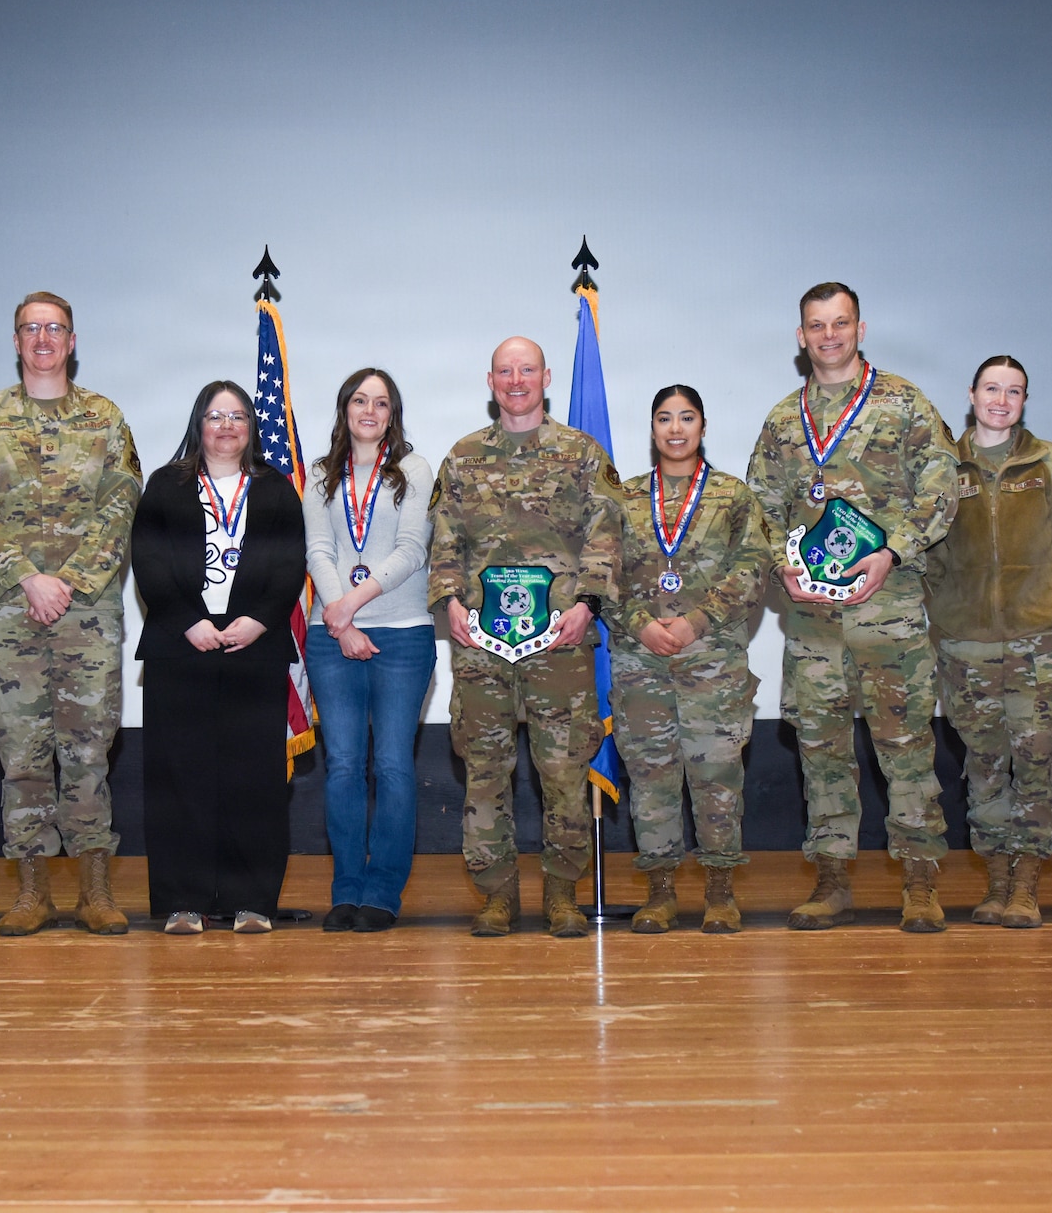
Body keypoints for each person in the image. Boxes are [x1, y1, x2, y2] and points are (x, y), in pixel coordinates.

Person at [747, 282, 961, 933]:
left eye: (840, 323)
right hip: (813, 625)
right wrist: (783, 571)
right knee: (822, 753)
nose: (829, 335)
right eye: (817, 325)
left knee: (905, 750)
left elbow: (944, 481)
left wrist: (893, 549)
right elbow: (757, 511)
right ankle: (833, 880)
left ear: (860, 328)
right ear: (801, 336)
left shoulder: (902, 403)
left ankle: (921, 882)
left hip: (888, 614)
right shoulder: (786, 419)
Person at [0, 291, 142, 936]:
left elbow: (122, 507)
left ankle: (94, 889)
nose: (42, 339)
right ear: (15, 340)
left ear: (71, 339)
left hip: (86, 615)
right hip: (8, 614)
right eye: (30, 328)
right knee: (22, 753)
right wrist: (29, 580)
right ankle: (33, 892)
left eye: (53, 328)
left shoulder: (105, 417)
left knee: (89, 750)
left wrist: (69, 582)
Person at [427, 336, 622, 938]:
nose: (517, 380)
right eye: (506, 371)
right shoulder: (462, 457)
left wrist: (588, 605)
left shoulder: (581, 453)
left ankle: (562, 895)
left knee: (563, 774)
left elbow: (607, 534)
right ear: (491, 380)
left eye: (527, 370)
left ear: (545, 378)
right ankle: (496, 896)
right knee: (485, 772)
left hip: (559, 642)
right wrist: (451, 602)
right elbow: (444, 542)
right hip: (482, 643)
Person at [132, 381, 307, 934]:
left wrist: (258, 618)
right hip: (179, 649)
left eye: (237, 416)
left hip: (254, 648)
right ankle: (184, 901)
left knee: (252, 780)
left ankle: (250, 900)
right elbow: (148, 562)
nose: (226, 426)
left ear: (252, 427)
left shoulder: (275, 488)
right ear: (198, 424)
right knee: (179, 776)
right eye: (215, 416)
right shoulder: (166, 485)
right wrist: (189, 621)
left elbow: (290, 562)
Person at [923, 357, 1052, 928]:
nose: (1001, 399)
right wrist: (951, 613)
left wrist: (1040, 599)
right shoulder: (945, 469)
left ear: (1024, 400)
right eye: (991, 388)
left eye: (1013, 391)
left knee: (1038, 761)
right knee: (985, 764)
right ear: (971, 395)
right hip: (966, 646)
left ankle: (1026, 884)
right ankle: (995, 882)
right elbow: (932, 553)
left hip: (1038, 644)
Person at [610, 385, 769, 934]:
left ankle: (721, 891)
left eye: (686, 417)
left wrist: (695, 621)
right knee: (651, 778)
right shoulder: (625, 500)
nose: (675, 429)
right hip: (641, 662)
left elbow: (751, 569)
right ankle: (660, 892)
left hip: (713, 661)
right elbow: (602, 576)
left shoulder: (733, 497)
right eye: (664, 419)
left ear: (703, 425)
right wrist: (641, 626)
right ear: (651, 429)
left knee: (717, 776)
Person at [304, 368, 435, 933]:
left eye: (381, 403)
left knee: (392, 767)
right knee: (343, 768)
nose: (369, 410)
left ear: (392, 414)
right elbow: (318, 548)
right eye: (360, 400)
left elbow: (410, 551)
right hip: (332, 638)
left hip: (402, 634)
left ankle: (382, 893)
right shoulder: (318, 474)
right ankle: (346, 890)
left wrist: (347, 606)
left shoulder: (414, 469)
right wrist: (340, 620)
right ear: (345, 408)